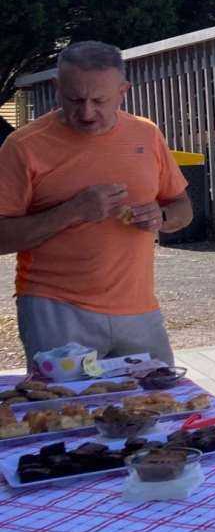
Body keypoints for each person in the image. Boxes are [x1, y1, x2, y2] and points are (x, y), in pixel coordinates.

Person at [0, 41, 193, 366]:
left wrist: (161, 216)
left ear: (123, 92)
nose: (87, 113)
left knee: (156, 397)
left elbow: (182, 207)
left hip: (139, 309)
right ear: (57, 87)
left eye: (99, 101)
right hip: (55, 308)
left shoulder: (146, 134)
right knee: (65, 401)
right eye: (74, 99)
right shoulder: (23, 146)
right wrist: (72, 211)